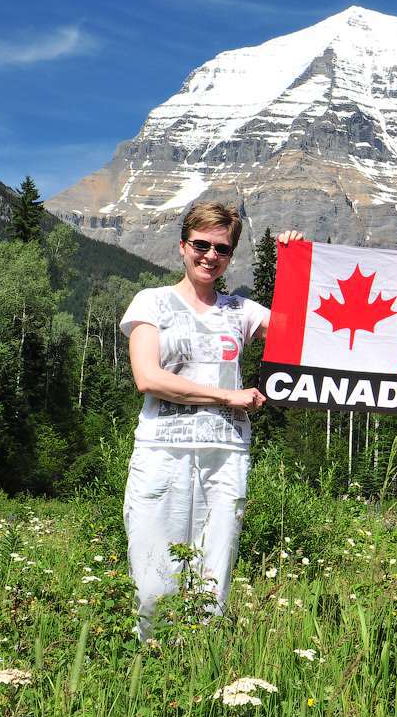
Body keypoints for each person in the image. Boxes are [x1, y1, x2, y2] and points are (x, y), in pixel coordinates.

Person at [119, 200, 301, 639]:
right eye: (201, 245)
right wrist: (227, 396)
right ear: (183, 246)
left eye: (222, 249)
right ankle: (153, 667)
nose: (210, 256)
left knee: (213, 578)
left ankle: (202, 670)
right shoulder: (152, 302)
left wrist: (294, 265)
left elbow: (300, 332)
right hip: (162, 451)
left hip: (225, 454)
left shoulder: (242, 310)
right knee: (153, 578)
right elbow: (148, 378)